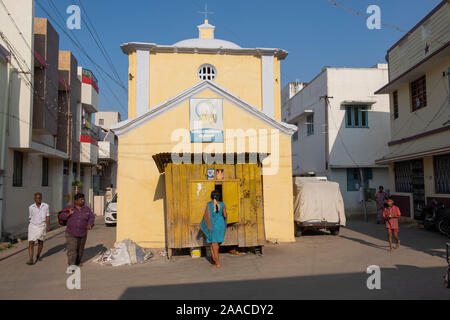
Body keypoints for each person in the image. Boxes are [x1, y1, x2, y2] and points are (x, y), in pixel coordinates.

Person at [59, 193, 95, 267]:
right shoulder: (70, 208)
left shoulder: (86, 209)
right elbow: (61, 216)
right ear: (76, 201)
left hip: (83, 233)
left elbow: (92, 217)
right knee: (72, 250)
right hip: (71, 233)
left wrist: (90, 224)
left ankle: (78, 262)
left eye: (83, 199)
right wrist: (68, 214)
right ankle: (71, 264)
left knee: (80, 250)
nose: (83, 201)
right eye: (81, 199)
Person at [200, 190, 227, 268]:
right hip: (221, 225)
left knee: (214, 244)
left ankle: (217, 263)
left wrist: (204, 225)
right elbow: (225, 215)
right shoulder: (222, 204)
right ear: (218, 197)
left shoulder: (209, 205)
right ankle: (214, 260)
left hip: (213, 226)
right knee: (214, 244)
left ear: (211, 196)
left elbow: (206, 216)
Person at [27, 193, 50, 265]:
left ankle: (38, 255)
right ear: (34, 199)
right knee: (31, 242)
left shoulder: (46, 206)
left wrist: (48, 225)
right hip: (32, 226)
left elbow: (47, 216)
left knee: (40, 241)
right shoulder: (31, 207)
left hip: (41, 226)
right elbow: (30, 217)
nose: (38, 199)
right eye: (37, 198)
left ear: (41, 198)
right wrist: (32, 224)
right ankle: (31, 259)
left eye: (39, 198)